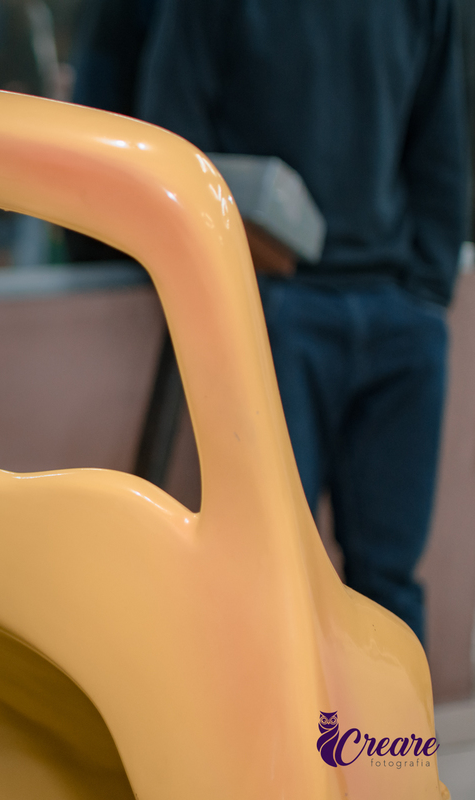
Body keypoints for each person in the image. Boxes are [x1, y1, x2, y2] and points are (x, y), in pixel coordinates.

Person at [138, 0, 469, 642]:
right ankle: (278, 747)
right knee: (271, 571)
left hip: (399, 312)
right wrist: (238, 295)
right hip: (273, 309)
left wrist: (425, 293)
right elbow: (169, 142)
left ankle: (387, 746)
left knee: (390, 578)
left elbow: (442, 144)